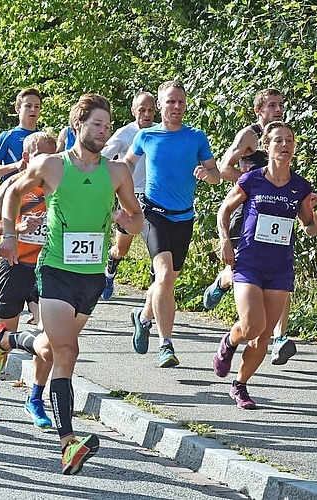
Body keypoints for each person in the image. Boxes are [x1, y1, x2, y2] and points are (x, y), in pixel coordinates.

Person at [0, 93, 143, 474]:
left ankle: (5, 339)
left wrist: (125, 218)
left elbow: (137, 222)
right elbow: (12, 193)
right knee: (67, 351)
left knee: (49, 348)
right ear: (78, 126)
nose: (104, 132)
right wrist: (9, 234)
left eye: (107, 126)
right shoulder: (51, 164)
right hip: (54, 268)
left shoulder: (117, 172)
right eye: (97, 125)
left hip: (90, 277)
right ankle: (68, 442)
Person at [213, 121, 317, 408]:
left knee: (263, 336)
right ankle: (229, 341)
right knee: (253, 326)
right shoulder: (253, 179)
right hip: (250, 261)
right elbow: (224, 210)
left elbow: (307, 226)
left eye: (289, 140)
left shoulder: (300, 186)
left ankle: (240, 385)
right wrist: (226, 240)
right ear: (267, 146)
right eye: (278, 140)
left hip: (280, 267)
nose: (285, 145)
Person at [201, 88, 310, 365]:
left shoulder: (283, 136)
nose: (278, 110)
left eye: (281, 105)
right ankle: (222, 282)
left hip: (276, 220)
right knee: (236, 267)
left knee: (278, 265)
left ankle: (280, 336)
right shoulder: (249, 136)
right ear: (258, 111)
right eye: (272, 105)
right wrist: (253, 185)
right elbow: (225, 168)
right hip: (248, 211)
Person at [122, 80, 221, 368]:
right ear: (161, 105)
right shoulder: (146, 136)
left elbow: (216, 174)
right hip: (153, 214)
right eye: (170, 102)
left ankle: (142, 319)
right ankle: (166, 344)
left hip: (184, 217)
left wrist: (207, 174)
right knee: (164, 276)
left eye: (180, 102)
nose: (176, 107)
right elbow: (127, 164)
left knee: (166, 282)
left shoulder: (196, 137)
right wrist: (116, 187)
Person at [0, 130, 56, 427]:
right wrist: (19, 227)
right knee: (2, 338)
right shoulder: (13, 186)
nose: (47, 164)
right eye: (41, 157)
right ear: (26, 158)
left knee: (51, 336)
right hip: (13, 267)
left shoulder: (58, 186)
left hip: (47, 270)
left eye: (53, 157)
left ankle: (35, 398)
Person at [99, 91, 155, 300]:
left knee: (156, 251)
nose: (146, 114)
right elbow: (103, 156)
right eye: (142, 110)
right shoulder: (125, 133)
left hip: (154, 198)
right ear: (133, 111)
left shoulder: (160, 132)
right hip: (130, 197)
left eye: (150, 110)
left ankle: (153, 296)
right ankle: (110, 269)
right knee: (122, 249)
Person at [0, 88, 41, 179]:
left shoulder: (43, 137)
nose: (33, 110)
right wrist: (16, 165)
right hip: (14, 190)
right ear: (17, 109)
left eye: (37, 106)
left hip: (39, 192)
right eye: (28, 106)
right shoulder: (7, 136)